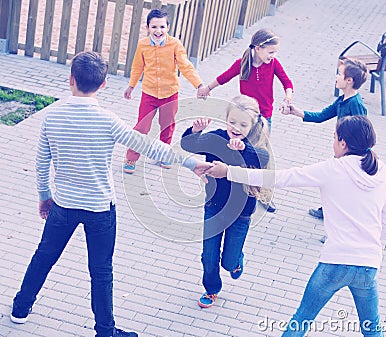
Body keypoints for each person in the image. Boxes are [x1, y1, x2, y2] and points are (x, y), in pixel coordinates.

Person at [10, 51, 210, 337]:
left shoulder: (51, 116)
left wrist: (44, 195)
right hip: (100, 208)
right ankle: (105, 330)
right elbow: (148, 146)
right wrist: (192, 163)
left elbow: (42, 161)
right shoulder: (107, 120)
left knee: (43, 256)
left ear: (71, 80)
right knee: (101, 272)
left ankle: (20, 308)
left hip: (63, 205)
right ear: (103, 85)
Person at [206, 115, 386, 336]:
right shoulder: (381, 170)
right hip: (368, 265)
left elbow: (281, 178)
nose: (333, 142)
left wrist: (229, 172)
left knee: (302, 320)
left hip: (334, 263)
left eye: (335, 138)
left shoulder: (333, 168)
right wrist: (366, 242)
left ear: (344, 143)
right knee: (373, 329)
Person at [180, 95, 271, 308]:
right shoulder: (218, 138)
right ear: (226, 119)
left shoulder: (254, 146)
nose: (236, 128)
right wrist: (195, 130)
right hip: (214, 207)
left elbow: (263, 158)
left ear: (253, 125)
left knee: (228, 262)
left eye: (242, 124)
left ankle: (236, 259)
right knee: (209, 255)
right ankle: (211, 289)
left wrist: (242, 149)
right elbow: (188, 144)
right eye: (232, 122)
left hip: (241, 214)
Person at [283, 57, 368, 220]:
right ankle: (328, 211)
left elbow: (363, 134)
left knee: (343, 188)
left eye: (339, 74)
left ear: (349, 80)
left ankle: (336, 223)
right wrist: (296, 112)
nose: (336, 76)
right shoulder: (342, 100)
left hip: (351, 156)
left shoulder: (356, 105)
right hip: (342, 153)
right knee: (335, 184)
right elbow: (322, 115)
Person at [123, 8, 205, 174]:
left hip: (170, 93)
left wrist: (199, 85)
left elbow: (185, 66)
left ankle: (164, 154)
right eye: (154, 27)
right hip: (149, 93)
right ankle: (131, 157)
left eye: (162, 27)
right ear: (147, 28)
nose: (158, 31)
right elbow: (138, 66)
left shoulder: (174, 44)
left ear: (168, 27)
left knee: (167, 126)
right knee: (141, 128)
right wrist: (131, 86)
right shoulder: (143, 44)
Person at [198, 28, 294, 133]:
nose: (273, 56)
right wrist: (207, 89)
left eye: (275, 52)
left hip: (264, 116)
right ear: (257, 48)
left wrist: (287, 98)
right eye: (270, 52)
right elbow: (224, 77)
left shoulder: (273, 64)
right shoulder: (242, 63)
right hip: (245, 115)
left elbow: (287, 83)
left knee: (261, 148)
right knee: (242, 145)